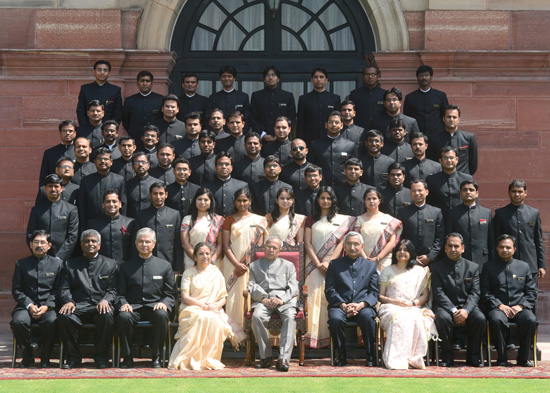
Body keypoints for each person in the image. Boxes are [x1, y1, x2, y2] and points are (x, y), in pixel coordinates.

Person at [168, 243, 244, 370]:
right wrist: (202, 305)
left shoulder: (216, 273)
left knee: (214, 320)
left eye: (207, 253)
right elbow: (185, 297)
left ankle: (208, 359)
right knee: (201, 317)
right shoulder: (189, 273)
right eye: (201, 254)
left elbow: (223, 297)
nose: (205, 256)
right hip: (191, 307)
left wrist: (216, 306)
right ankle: (189, 359)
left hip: (212, 308)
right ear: (195, 257)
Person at [116, 227, 176, 368]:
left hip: (154, 307)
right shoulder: (126, 266)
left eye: (148, 242)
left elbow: (170, 294)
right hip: (133, 308)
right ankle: (128, 357)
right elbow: (119, 292)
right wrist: (123, 303)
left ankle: (156, 357)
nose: (144, 245)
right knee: (123, 316)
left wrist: (164, 303)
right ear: (136, 243)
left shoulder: (164, 266)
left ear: (154, 244)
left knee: (162, 314)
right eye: (141, 242)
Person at [57, 230, 118, 369]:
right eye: (86, 241)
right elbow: (63, 288)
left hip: (99, 305)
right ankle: (73, 357)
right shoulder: (69, 265)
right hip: (78, 305)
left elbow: (113, 289)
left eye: (93, 241)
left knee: (107, 315)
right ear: (81, 245)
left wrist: (106, 300)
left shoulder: (110, 264)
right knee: (64, 316)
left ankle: (101, 357)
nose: (90, 244)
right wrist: (68, 301)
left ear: (99, 245)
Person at [304, 186, 356, 348]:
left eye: (328, 198)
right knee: (312, 299)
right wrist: (318, 263)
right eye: (322, 198)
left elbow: (342, 242)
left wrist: (329, 262)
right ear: (317, 200)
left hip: (333, 265)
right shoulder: (310, 219)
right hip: (312, 265)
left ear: (333, 200)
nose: (325, 201)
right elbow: (307, 242)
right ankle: (311, 338)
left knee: (328, 299)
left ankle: (329, 340)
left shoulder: (341, 220)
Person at [481, 234, 538, 367]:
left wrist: (521, 305)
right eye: (501, 247)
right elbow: (484, 292)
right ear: (496, 248)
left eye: (508, 247)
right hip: (497, 308)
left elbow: (531, 291)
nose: (504, 250)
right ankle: (501, 358)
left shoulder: (524, 267)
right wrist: (499, 305)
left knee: (530, 320)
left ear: (514, 249)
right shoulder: (488, 267)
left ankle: (523, 358)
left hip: (519, 308)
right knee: (496, 320)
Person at [378, 239, 435, 369]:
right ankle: (396, 359)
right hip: (390, 306)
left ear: (411, 253)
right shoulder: (387, 270)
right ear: (395, 253)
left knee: (416, 318)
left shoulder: (419, 271)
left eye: (405, 250)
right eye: (399, 250)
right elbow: (381, 296)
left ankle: (414, 358)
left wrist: (412, 303)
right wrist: (395, 301)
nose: (402, 252)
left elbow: (425, 295)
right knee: (398, 318)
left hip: (413, 306)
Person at [431, 233, 486, 367]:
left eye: (456, 246)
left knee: (480, 319)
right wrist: (454, 310)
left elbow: (475, 292)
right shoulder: (436, 267)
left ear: (463, 248)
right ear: (445, 248)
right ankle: (447, 357)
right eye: (449, 246)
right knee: (442, 319)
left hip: (468, 306)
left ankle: (473, 357)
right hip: (445, 307)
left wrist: (466, 310)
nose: (453, 249)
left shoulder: (473, 267)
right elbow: (438, 292)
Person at [325, 232, 379, 366]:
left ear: (362, 246)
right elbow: (330, 290)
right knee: (335, 319)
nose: (352, 247)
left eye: (356, 244)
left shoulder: (370, 266)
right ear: (343, 246)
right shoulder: (334, 265)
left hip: (363, 306)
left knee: (367, 317)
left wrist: (361, 305)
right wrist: (343, 305)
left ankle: (370, 355)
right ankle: (341, 355)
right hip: (340, 306)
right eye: (349, 244)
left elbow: (374, 292)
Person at [11, 230, 62, 368]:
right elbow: (16, 290)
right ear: (31, 245)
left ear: (49, 245)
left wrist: (47, 305)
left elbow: (59, 289)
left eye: (43, 242)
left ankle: (45, 358)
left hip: (49, 306)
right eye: (36, 242)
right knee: (18, 321)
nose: (39, 245)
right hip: (26, 306)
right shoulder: (21, 264)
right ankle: (27, 356)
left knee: (52, 321)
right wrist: (29, 304)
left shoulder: (58, 265)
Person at [249, 236, 299, 372]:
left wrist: (282, 299)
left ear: (279, 251)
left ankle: (283, 359)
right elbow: (252, 286)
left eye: (274, 248)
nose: (271, 250)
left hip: (284, 300)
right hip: (264, 300)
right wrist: (263, 298)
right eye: (268, 246)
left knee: (290, 317)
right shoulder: (254, 266)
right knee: (257, 316)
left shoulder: (288, 266)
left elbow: (294, 287)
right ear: (264, 247)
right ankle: (266, 357)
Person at [221, 188, 268, 329]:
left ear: (250, 201)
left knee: (249, 297)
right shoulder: (229, 220)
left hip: (252, 265)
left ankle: (249, 332)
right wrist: (236, 264)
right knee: (233, 299)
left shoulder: (260, 220)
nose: (242, 204)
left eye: (245, 200)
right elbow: (225, 245)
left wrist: (248, 263)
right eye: (239, 201)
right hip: (231, 265)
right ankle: (233, 333)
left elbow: (261, 244)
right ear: (235, 202)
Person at [494, 179, 546, 287]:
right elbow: (495, 239)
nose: (517, 194)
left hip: (530, 263)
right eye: (514, 191)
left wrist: (541, 265)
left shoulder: (534, 213)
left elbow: (538, 240)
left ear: (525, 193)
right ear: (509, 193)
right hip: (507, 263)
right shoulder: (500, 214)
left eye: (520, 191)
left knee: (531, 294)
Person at [26, 174, 79, 262]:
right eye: (50, 186)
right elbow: (30, 234)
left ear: (61, 188)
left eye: (56, 186)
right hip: (41, 258)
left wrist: (59, 257)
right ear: (45, 188)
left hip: (64, 259)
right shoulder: (37, 210)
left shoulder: (71, 209)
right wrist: (39, 253)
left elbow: (72, 236)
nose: (53, 189)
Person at [135, 182, 182, 272]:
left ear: (166, 195)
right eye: (155, 194)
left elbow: (178, 243)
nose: (158, 197)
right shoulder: (142, 215)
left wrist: (178, 267)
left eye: (161, 193)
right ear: (150, 195)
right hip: (145, 263)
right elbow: (136, 241)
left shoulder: (174, 214)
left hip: (169, 262)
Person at [354, 188, 402, 273]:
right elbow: (357, 242)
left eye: (374, 198)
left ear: (379, 201)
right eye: (368, 199)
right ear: (364, 201)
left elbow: (392, 242)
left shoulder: (388, 219)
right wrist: (366, 259)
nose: (371, 201)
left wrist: (378, 258)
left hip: (384, 261)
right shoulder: (359, 220)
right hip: (364, 261)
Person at [447, 180, 494, 267]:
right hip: (461, 259)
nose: (468, 192)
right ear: (460, 193)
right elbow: (449, 236)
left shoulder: (486, 213)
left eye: (471, 190)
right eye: (465, 190)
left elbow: (491, 239)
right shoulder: (453, 213)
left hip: (482, 259)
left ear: (477, 193)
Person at [398, 180, 444, 266]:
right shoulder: (402, 212)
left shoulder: (436, 212)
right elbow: (399, 237)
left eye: (420, 190)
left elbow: (440, 238)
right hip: (408, 260)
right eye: (414, 191)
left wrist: (430, 256)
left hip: (431, 261)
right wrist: (410, 257)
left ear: (426, 192)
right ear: (410, 193)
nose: (417, 193)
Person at [78, 147, 126, 229]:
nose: (103, 161)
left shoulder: (119, 180)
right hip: (91, 225)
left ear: (111, 162)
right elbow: (82, 206)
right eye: (100, 159)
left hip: (114, 225)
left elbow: (124, 204)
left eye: (106, 159)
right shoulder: (86, 181)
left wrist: (122, 225)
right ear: (95, 162)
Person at [309, 111, 357, 187]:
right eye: (331, 122)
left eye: (337, 122)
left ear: (341, 125)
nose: (334, 125)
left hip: (344, 188)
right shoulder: (315, 145)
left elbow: (355, 168)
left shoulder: (350, 145)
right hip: (322, 187)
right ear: (326, 125)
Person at [181, 188, 224, 271]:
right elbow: (185, 243)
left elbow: (220, 244)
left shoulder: (219, 220)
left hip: (213, 263)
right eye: (199, 199)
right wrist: (198, 260)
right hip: (192, 262)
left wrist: (212, 260)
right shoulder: (188, 219)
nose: (202, 202)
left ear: (211, 202)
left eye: (206, 200)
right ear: (195, 201)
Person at [87, 190, 136, 265]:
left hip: (125, 267)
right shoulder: (93, 224)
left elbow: (134, 248)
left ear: (120, 204)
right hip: (101, 267)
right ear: (103, 204)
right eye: (108, 202)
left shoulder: (130, 223)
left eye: (114, 201)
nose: (111, 204)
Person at [249, 65, 296, 142]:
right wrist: (262, 134)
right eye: (268, 75)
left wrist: (282, 133)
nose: (271, 77)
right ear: (264, 79)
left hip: (283, 139)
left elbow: (292, 118)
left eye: (273, 75)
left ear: (278, 79)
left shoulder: (287, 96)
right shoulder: (256, 96)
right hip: (262, 140)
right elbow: (253, 118)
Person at [426, 146, 473, 222]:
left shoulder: (467, 179)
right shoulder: (432, 180)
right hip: (440, 220)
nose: (449, 160)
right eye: (445, 158)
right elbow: (429, 203)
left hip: (461, 220)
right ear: (440, 161)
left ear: (457, 160)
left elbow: (473, 202)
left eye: (451, 158)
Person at [429, 104, 478, 175]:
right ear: (443, 119)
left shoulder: (469, 138)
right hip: (440, 181)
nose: (451, 120)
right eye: (449, 117)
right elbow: (432, 162)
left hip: (463, 180)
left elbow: (473, 165)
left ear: (458, 119)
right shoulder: (434, 139)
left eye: (454, 117)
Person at [297, 67, 340, 145]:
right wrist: (300, 141)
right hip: (309, 141)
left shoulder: (335, 99)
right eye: (316, 77)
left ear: (326, 80)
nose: (318, 79)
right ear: (312, 80)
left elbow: (338, 121)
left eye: (321, 77)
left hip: (330, 140)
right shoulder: (303, 99)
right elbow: (300, 124)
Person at [403, 65, 448, 137]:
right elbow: (407, 119)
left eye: (426, 75)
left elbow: (445, 116)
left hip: (438, 136)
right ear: (417, 78)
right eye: (421, 75)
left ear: (431, 77)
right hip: (417, 137)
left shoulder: (440, 96)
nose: (424, 78)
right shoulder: (410, 98)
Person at [76, 60, 122, 127]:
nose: (102, 73)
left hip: (107, 130)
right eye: (99, 70)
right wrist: (85, 127)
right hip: (87, 129)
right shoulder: (85, 89)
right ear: (94, 71)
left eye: (105, 70)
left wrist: (111, 128)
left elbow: (118, 113)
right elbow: (80, 111)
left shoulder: (115, 90)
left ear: (109, 73)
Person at [122, 70, 164, 142]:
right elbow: (125, 121)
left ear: (152, 83)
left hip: (154, 139)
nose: (145, 83)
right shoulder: (129, 100)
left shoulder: (160, 99)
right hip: (135, 138)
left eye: (147, 81)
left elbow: (162, 119)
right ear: (137, 83)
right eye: (142, 81)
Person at [207, 65, 250, 133]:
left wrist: (242, 133)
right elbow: (208, 119)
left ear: (234, 78)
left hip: (237, 135)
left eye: (229, 76)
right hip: (218, 136)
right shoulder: (213, 98)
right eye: (224, 76)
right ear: (220, 78)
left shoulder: (243, 97)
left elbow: (247, 118)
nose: (227, 78)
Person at [204, 152, 248, 217]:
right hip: (213, 224)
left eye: (227, 164)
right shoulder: (206, 187)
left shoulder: (242, 186)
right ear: (215, 167)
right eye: (220, 164)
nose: (224, 167)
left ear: (231, 168)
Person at [39, 120, 77, 186]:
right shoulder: (50, 153)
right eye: (64, 131)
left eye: (70, 131)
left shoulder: (80, 151)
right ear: (60, 133)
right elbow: (44, 178)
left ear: (75, 133)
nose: (67, 133)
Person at [349, 63, 385, 129]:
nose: (370, 77)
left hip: (380, 130)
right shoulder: (355, 94)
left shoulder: (384, 94)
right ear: (363, 77)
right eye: (367, 74)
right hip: (359, 130)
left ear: (377, 76)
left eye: (373, 74)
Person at [125, 152, 158, 218]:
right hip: (132, 221)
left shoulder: (157, 183)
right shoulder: (127, 184)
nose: (140, 165)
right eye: (137, 162)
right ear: (132, 166)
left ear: (148, 165)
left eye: (143, 162)